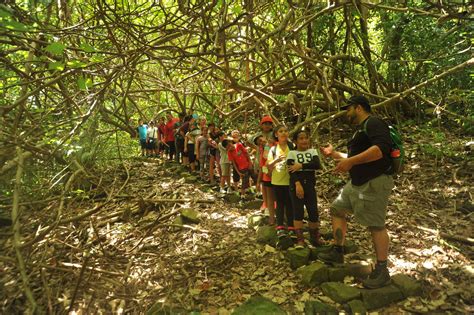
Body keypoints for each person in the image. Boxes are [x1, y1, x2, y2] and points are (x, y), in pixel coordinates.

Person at [319, 95, 394, 289]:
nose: (347, 113)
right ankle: (338, 249)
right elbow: (354, 158)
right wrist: (335, 155)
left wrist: (350, 162)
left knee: (376, 225)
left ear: (359, 108)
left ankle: (382, 269)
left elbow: (380, 150)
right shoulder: (360, 130)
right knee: (337, 209)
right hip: (357, 183)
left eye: (348, 109)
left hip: (374, 183)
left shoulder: (374, 122)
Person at [287, 128, 324, 248]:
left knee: (313, 211)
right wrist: (297, 184)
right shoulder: (292, 153)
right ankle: (300, 240)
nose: (304, 140)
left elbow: (317, 165)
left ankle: (315, 238)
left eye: (306, 138)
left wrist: (301, 165)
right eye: (301, 138)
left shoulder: (313, 151)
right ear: (295, 141)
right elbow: (291, 170)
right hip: (296, 185)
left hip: (310, 184)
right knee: (298, 212)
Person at [266, 125, 295, 239]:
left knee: (290, 204)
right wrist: (277, 160)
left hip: (291, 180)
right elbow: (268, 166)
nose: (283, 133)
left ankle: (291, 227)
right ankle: (280, 227)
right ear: (276, 134)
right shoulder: (273, 149)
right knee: (280, 204)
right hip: (277, 181)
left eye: (286, 131)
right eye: (281, 131)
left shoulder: (292, 147)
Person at [255, 134, 275, 225]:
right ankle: (269, 213)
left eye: (261, 139)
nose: (261, 142)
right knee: (268, 195)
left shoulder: (271, 145)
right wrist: (258, 181)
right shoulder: (263, 150)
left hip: (276, 174)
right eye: (258, 142)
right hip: (267, 176)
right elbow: (262, 167)